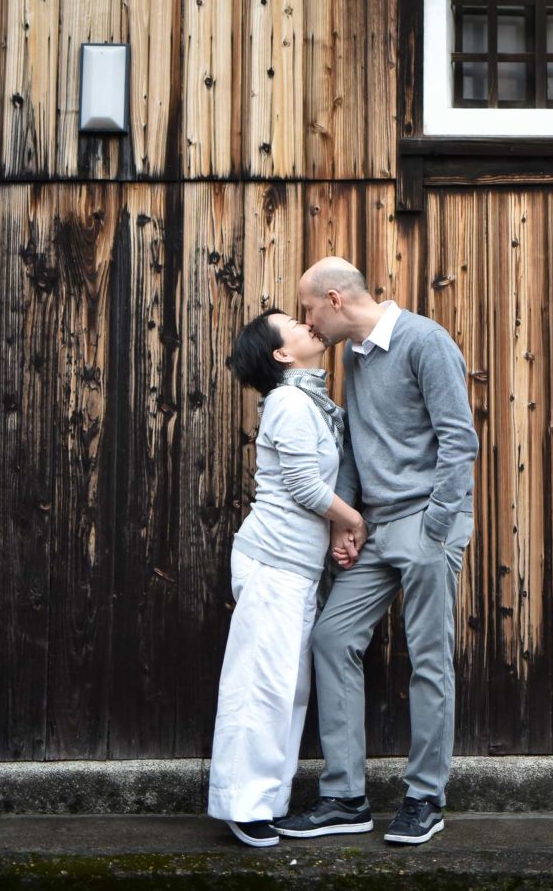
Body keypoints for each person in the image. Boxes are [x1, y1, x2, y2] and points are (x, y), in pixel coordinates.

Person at [275, 258, 479, 847]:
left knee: (429, 657)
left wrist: (436, 526)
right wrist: (348, 520)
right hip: (377, 526)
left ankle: (425, 798)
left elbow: (459, 439)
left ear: (335, 300)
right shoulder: (355, 357)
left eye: (309, 309)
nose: (308, 322)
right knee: (332, 637)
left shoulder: (424, 341)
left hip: (425, 524)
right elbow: (358, 447)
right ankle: (345, 797)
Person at [207, 308, 366, 848]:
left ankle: (265, 802)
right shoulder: (290, 403)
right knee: (260, 688)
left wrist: (338, 527)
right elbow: (302, 485)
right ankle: (243, 805)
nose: (307, 325)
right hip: (273, 563)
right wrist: (353, 521)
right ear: (281, 354)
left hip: (295, 568)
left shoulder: (310, 403)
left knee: (287, 691)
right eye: (294, 325)